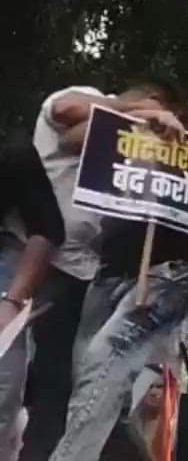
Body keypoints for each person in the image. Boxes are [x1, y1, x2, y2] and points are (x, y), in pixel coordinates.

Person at [51, 67, 188, 460]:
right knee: (97, 390)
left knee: (104, 362)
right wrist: (142, 117)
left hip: (173, 275)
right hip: (112, 267)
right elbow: (71, 137)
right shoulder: (166, 120)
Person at [12, 78, 178, 461]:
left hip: (86, 272)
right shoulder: (92, 98)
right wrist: (140, 112)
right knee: (40, 380)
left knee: (80, 383)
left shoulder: (120, 127)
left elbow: (79, 139)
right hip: (43, 260)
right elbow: (67, 114)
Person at [0, 138, 66, 461]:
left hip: (4, 273)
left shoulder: (12, 152)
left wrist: (12, 300)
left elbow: (48, 227)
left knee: (3, 388)